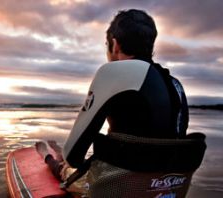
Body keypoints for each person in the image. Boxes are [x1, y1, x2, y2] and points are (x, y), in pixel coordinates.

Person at [36, 9, 189, 195]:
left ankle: (47, 156)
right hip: (168, 187)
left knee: (66, 164)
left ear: (115, 45)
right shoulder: (176, 86)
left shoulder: (113, 72)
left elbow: (73, 155)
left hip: (118, 189)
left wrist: (68, 158)